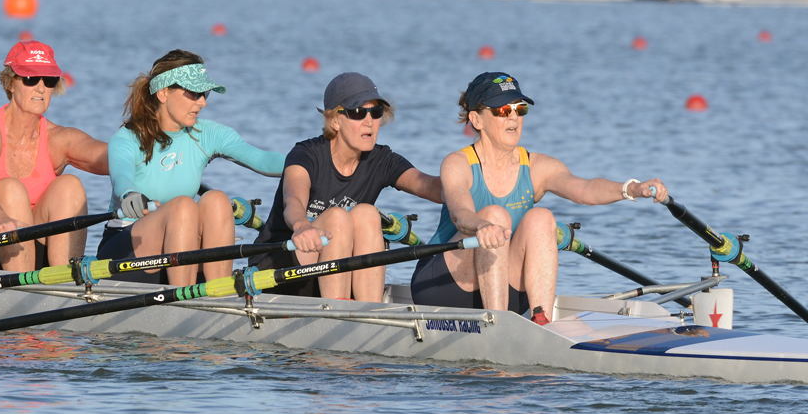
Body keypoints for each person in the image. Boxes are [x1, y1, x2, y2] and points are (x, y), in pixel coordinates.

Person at [410, 71, 668, 322]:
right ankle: (499, 326)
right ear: (477, 120)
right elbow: (460, 213)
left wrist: (632, 189)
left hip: (505, 283)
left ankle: (541, 318)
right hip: (445, 286)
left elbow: (584, 189)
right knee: (494, 215)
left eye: (520, 109)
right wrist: (483, 226)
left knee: (542, 218)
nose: (514, 118)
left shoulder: (539, 167)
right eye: (502, 111)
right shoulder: (457, 163)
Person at [99, 49, 283, 286]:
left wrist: (314, 158)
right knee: (183, 206)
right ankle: (183, 294)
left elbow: (264, 161)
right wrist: (129, 194)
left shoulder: (206, 134)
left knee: (216, 200)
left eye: (205, 94)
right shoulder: (127, 138)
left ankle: (220, 293)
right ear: (164, 93)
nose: (203, 103)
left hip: (178, 249)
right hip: (126, 251)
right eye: (194, 94)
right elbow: (122, 175)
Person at [253, 72, 442, 302]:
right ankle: (339, 311)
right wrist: (302, 225)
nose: (369, 121)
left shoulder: (382, 160)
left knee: (366, 213)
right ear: (334, 121)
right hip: (281, 269)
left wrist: (477, 174)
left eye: (376, 112)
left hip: (331, 271)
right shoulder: (305, 154)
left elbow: (432, 187)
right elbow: (294, 200)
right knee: (337, 218)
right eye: (357, 112)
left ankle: (369, 311)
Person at [0, 40, 109, 271]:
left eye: (49, 81)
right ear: (11, 83)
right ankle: (23, 287)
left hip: (29, 241)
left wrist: (156, 144)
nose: (40, 88)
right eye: (31, 79)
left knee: (70, 185)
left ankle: (65, 285)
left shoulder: (58, 138)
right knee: (10, 189)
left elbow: (114, 158)